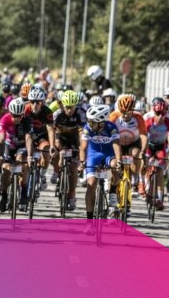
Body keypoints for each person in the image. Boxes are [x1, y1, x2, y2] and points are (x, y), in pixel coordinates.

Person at [79, 104, 122, 235]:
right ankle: (89, 222)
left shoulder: (111, 127)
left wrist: (119, 161)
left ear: (101, 121)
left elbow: (116, 145)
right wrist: (82, 163)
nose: (90, 124)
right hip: (93, 155)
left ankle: (113, 193)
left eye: (93, 122)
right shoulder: (87, 128)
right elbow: (83, 147)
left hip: (109, 154)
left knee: (115, 165)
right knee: (91, 185)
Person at [49, 90, 86, 211]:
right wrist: (53, 146)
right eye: (67, 107)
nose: (69, 110)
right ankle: (57, 170)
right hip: (61, 137)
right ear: (62, 105)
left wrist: (82, 149)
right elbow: (52, 131)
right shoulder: (57, 114)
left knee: (73, 169)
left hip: (75, 139)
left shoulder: (81, 114)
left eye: (72, 107)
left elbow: (83, 134)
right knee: (57, 148)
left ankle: (72, 194)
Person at [0, 98, 34, 213]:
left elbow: (28, 138)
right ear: (10, 113)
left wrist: (30, 156)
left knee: (22, 162)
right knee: (6, 169)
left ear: (23, 114)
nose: (17, 118)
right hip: (9, 145)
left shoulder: (27, 120)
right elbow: (2, 138)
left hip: (21, 146)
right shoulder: (5, 119)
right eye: (14, 116)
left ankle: (23, 191)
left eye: (19, 116)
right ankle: (3, 196)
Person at [143, 97, 169, 210]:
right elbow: (143, 137)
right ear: (153, 111)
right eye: (158, 113)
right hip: (148, 145)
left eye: (163, 114)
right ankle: (145, 186)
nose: (161, 117)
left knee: (160, 171)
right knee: (145, 165)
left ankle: (160, 199)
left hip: (161, 146)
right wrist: (143, 154)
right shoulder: (147, 118)